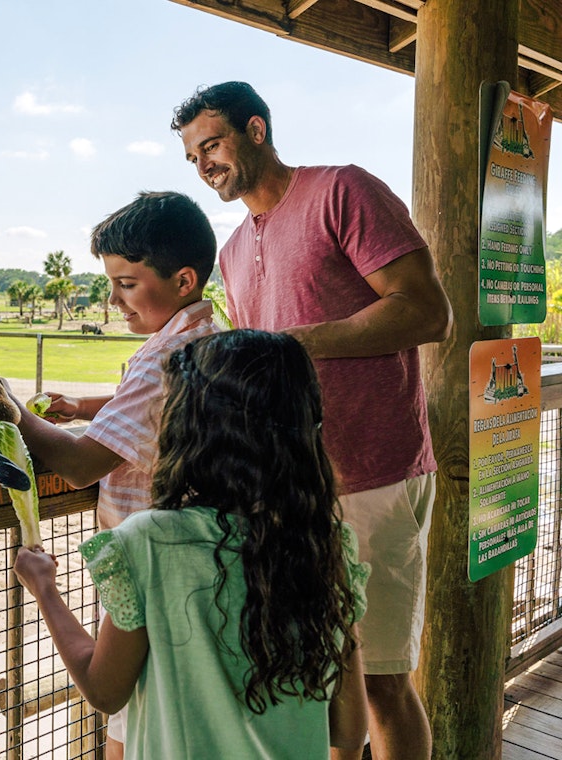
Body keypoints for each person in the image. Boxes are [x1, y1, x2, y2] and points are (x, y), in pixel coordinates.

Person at [172, 81, 453, 760]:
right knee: (322, 682)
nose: (204, 164)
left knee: (382, 681)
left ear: (256, 130)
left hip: (374, 474)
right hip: (292, 489)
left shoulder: (341, 191)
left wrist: (296, 341)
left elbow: (427, 312)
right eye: (192, 156)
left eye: (212, 144)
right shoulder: (232, 251)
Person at [15, 330, 370, 759]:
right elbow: (349, 730)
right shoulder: (325, 543)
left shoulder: (149, 542)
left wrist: (45, 589)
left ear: (189, 428)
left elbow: (104, 690)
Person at [11, 190, 218, 756]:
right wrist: (84, 407)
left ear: (183, 280)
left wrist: (12, 412)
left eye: (126, 284)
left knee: (129, 725)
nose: (113, 299)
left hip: (149, 572)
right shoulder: (209, 339)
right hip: (197, 573)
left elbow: (81, 465)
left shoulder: (161, 358)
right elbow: (153, 405)